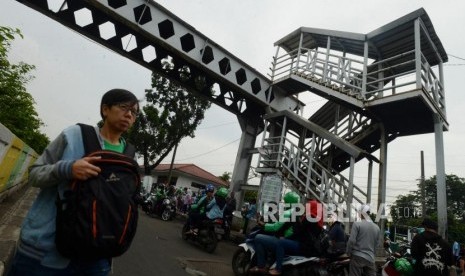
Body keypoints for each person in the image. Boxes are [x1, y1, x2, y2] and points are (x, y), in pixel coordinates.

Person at [8, 89, 139, 276]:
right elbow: (35, 174)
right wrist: (68, 169)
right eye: (124, 107)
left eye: (134, 112)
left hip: (97, 258)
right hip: (44, 253)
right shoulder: (75, 135)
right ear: (105, 109)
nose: (129, 114)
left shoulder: (129, 155)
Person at [249, 192, 323, 275]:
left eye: (285, 201)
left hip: (301, 245)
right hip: (306, 246)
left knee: (259, 238)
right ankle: (270, 264)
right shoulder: (316, 220)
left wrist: (264, 225)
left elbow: (277, 227)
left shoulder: (295, 214)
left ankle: (263, 267)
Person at [346, 204, 380, 276]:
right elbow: (377, 245)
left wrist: (348, 252)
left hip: (357, 257)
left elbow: (351, 240)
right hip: (370, 258)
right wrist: (372, 255)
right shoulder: (376, 227)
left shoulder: (357, 224)